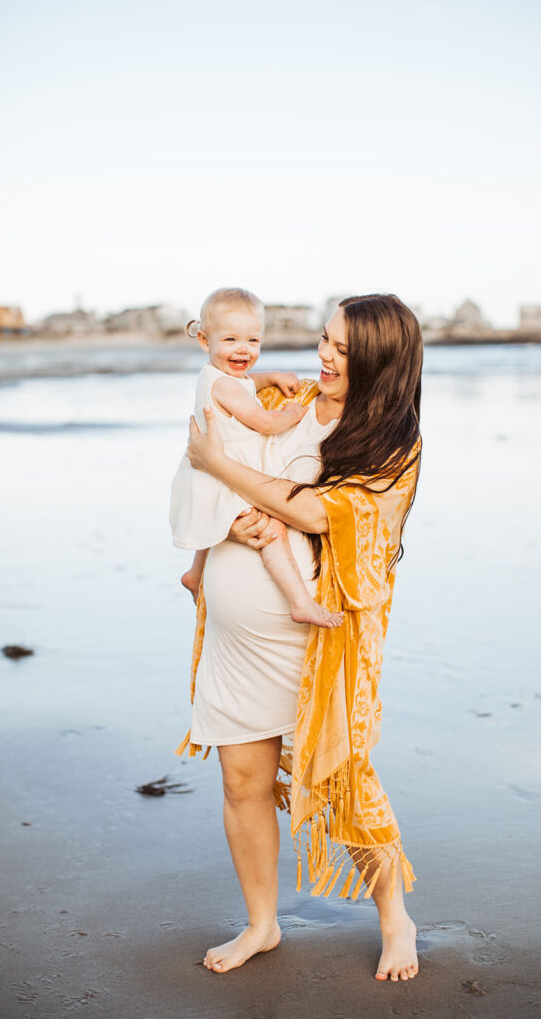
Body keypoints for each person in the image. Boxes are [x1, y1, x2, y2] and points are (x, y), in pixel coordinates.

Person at [178, 293, 423, 983]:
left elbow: (321, 514)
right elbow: (216, 442)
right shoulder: (291, 394)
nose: (324, 355)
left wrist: (227, 477)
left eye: (342, 349)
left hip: (314, 647)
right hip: (234, 638)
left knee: (345, 781)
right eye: (323, 339)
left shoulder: (390, 442)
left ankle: (393, 919)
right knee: (241, 783)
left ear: (379, 359)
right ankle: (262, 923)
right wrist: (231, 519)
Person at [170, 287, 343, 629]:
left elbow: (247, 383)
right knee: (273, 531)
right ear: (205, 341)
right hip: (223, 470)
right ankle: (300, 602)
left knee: (217, 518)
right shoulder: (225, 386)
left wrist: (274, 376)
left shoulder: (220, 377)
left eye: (253, 341)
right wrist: (292, 415)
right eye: (231, 340)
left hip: (211, 472)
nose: (243, 349)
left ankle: (195, 572)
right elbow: (263, 421)